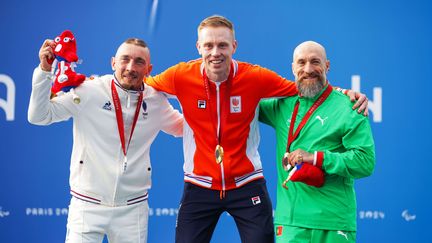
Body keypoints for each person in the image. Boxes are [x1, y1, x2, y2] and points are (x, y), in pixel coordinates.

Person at [145, 15, 369, 243]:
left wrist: (342, 94)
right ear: (198, 47)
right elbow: (146, 89)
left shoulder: (254, 77)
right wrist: (174, 123)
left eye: (222, 45)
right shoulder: (180, 75)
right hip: (199, 183)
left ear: (234, 46)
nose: (215, 52)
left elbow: (305, 86)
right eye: (209, 45)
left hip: (247, 183)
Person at [28, 38, 183, 243]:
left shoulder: (155, 100)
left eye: (139, 61)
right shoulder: (89, 90)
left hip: (132, 208)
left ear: (149, 68)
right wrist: (44, 70)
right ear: (113, 63)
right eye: (124, 59)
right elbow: (39, 116)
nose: (130, 67)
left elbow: (186, 128)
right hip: (87, 205)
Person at [259, 41, 375, 243]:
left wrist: (316, 158)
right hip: (291, 223)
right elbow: (240, 100)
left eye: (315, 62)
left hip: (334, 222)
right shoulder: (281, 104)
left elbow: (365, 162)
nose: (308, 69)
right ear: (293, 67)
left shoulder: (350, 107)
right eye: (301, 62)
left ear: (327, 66)